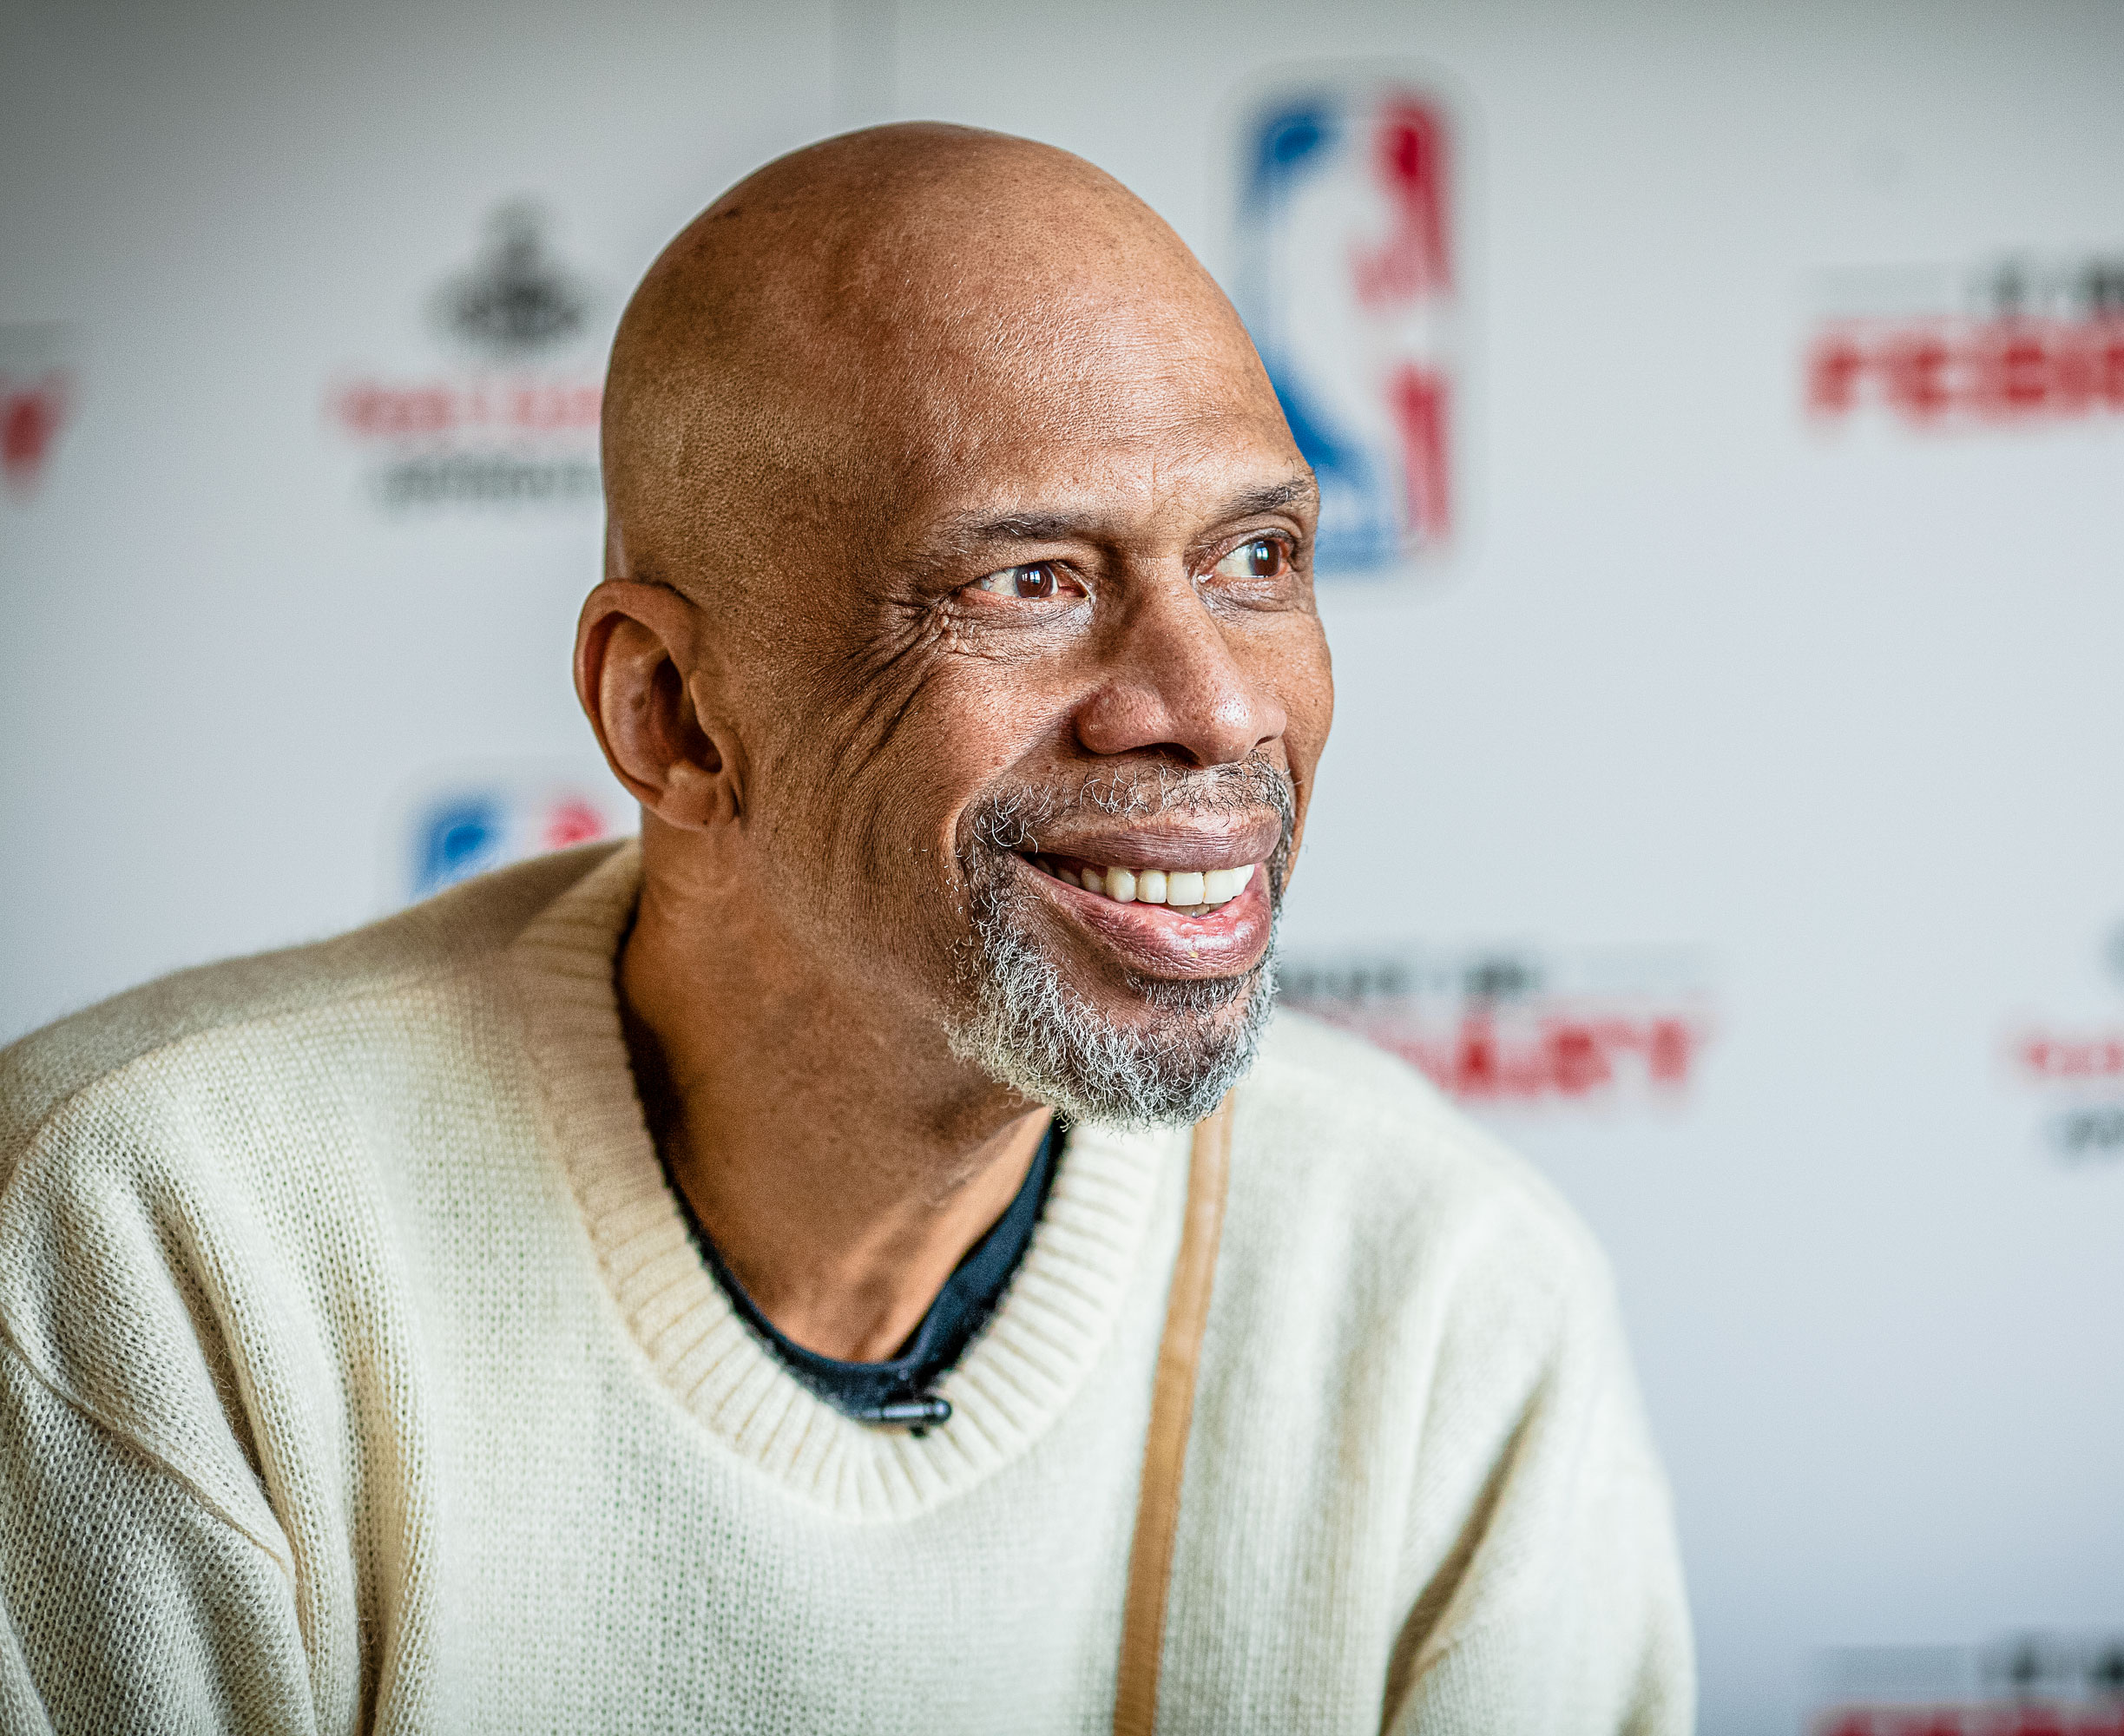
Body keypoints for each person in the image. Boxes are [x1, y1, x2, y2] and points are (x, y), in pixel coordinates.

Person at [0, 124, 1692, 1733]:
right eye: (1031, 581)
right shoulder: (149, 1246)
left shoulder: (1443, 1287)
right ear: (672, 714)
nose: (1216, 706)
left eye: (1257, 556)